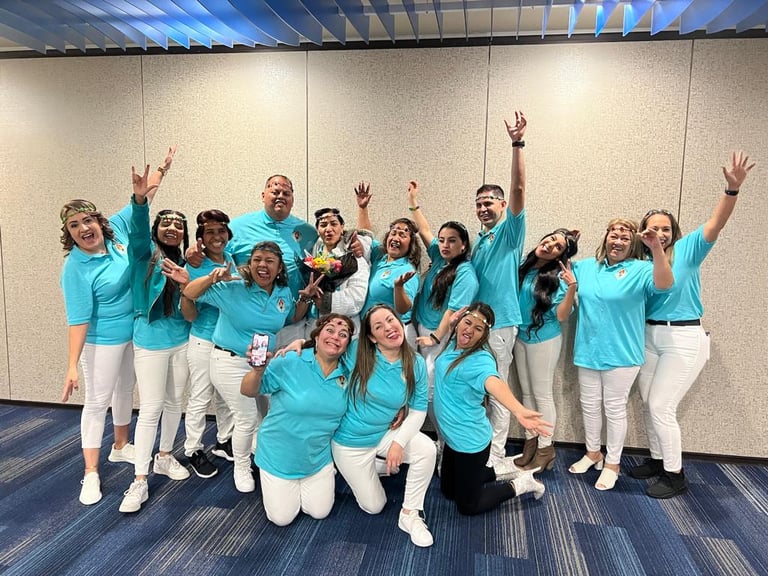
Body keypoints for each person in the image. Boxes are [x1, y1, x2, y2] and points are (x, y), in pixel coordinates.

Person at [630, 151, 754, 498]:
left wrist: (731, 190)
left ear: (675, 232)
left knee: (661, 405)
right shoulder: (640, 261)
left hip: (683, 336)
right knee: (646, 398)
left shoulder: (689, 249)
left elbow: (717, 221)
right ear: (643, 232)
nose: (660, 233)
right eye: (653, 228)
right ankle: (657, 460)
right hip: (650, 334)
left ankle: (675, 474)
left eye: (666, 228)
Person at [182, 241, 322, 493]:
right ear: (250, 263)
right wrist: (212, 279)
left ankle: (261, 456)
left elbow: (291, 316)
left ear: (279, 268)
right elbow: (190, 293)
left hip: (261, 363)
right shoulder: (233, 286)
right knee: (246, 419)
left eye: (269, 261)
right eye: (257, 259)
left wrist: (305, 299)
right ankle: (241, 467)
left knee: (267, 414)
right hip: (228, 361)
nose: (262, 265)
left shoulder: (280, 291)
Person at [568, 219, 673, 491]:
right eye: (613, 235)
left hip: (623, 354)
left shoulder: (641, 269)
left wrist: (656, 249)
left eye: (625, 238)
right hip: (588, 350)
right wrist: (568, 244)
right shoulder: (588, 267)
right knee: (589, 405)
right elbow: (560, 270)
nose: (617, 241)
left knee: (613, 409)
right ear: (605, 239)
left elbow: (664, 284)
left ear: (633, 243)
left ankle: (613, 463)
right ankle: (593, 453)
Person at [119, 162, 193, 514]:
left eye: (179, 225)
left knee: (174, 401)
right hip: (149, 339)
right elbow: (135, 230)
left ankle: (165, 455)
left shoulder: (188, 264)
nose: (173, 228)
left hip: (181, 338)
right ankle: (139, 479)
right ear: (156, 229)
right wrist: (139, 198)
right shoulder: (143, 254)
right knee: (149, 408)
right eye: (166, 223)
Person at [331, 304, 436, 547]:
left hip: (384, 433)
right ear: (371, 337)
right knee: (374, 507)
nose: (389, 327)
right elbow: (326, 348)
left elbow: (419, 410)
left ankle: (410, 514)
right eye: (379, 326)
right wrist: (300, 346)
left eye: (391, 320)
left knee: (427, 449)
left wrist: (399, 443)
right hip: (350, 443)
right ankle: (375, 464)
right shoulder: (358, 351)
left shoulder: (415, 363)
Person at [433, 303, 551, 515]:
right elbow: (454, 326)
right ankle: (497, 472)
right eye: (467, 323)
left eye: (478, 329)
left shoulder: (479, 359)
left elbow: (493, 382)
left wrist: (517, 409)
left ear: (484, 335)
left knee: (467, 507)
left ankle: (521, 484)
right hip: (452, 440)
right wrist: (452, 323)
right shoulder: (455, 342)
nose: (469, 330)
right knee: (448, 491)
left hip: (469, 444)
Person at [240, 314, 354, 525]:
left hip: (317, 458)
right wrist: (257, 372)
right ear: (317, 335)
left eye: (343, 334)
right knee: (281, 519)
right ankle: (260, 454)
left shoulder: (349, 373)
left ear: (348, 345)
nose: (335, 337)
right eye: (329, 330)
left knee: (320, 512)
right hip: (279, 456)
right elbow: (247, 391)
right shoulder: (290, 360)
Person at [186, 175, 317, 346]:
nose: (280, 196)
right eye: (275, 191)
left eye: (286, 193)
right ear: (263, 195)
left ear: (292, 199)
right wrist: (193, 252)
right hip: (247, 323)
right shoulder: (239, 226)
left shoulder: (308, 232)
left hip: (293, 318)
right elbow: (214, 249)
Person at [471, 111, 527, 465]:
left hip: (501, 323)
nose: (483, 208)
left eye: (489, 202)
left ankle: (495, 454)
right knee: (477, 388)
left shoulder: (509, 233)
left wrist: (517, 144)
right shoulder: (479, 239)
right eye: (478, 203)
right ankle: (477, 448)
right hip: (474, 324)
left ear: (503, 206)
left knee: (498, 389)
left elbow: (520, 189)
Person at [405, 180, 478, 434]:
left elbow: (453, 312)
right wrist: (414, 202)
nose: (445, 245)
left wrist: (435, 337)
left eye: (452, 241)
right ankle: (439, 439)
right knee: (425, 383)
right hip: (425, 329)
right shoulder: (439, 257)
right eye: (443, 240)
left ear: (464, 245)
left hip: (441, 335)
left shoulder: (465, 273)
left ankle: (445, 440)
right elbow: (424, 230)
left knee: (432, 387)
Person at [512, 229, 579, 472]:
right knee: (527, 394)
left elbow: (561, 315)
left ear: (560, 256)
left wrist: (571, 287)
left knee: (542, 394)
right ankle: (531, 442)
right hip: (519, 335)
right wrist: (568, 237)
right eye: (550, 239)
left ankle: (545, 448)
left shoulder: (557, 277)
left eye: (558, 247)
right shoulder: (523, 266)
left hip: (544, 339)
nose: (550, 245)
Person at [179, 210, 237, 479]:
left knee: (226, 395)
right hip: (203, 338)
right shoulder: (193, 266)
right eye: (210, 232)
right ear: (200, 238)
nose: (217, 237)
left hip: (228, 340)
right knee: (201, 396)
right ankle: (193, 449)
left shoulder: (232, 260)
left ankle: (225, 440)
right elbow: (189, 303)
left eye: (221, 231)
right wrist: (213, 277)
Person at [355, 183, 421, 348]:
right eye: (393, 233)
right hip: (371, 332)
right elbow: (365, 236)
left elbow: (404, 309)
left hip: (395, 334)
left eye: (403, 235)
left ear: (411, 244)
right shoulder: (380, 257)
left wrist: (398, 288)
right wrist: (363, 208)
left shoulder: (407, 270)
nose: (396, 238)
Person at [300, 207, 370, 337]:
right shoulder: (312, 257)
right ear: (318, 230)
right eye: (323, 225)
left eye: (334, 224)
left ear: (342, 227)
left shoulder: (354, 258)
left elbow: (357, 298)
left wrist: (324, 301)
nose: (328, 229)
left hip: (344, 328)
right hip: (314, 326)